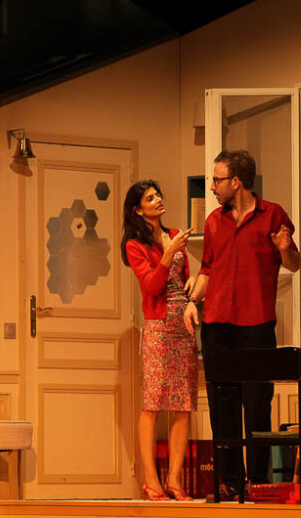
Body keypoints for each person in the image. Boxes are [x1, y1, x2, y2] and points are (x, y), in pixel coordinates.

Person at [183, 150, 300, 497]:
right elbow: (207, 270)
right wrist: (192, 302)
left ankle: (258, 484)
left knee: (257, 406)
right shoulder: (213, 221)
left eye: (217, 180)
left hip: (256, 325)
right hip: (217, 325)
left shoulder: (273, 215)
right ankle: (229, 483)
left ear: (236, 182)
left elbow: (293, 263)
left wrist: (284, 248)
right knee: (223, 408)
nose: (212, 187)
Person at [121, 179, 197, 501]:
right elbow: (152, 286)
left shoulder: (174, 234)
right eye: (150, 198)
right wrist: (168, 253)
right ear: (138, 210)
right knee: (153, 402)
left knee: (183, 404)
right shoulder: (135, 245)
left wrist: (193, 292)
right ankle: (151, 480)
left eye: (158, 195)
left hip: (184, 325)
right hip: (157, 326)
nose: (159, 200)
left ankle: (174, 480)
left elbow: (184, 279)